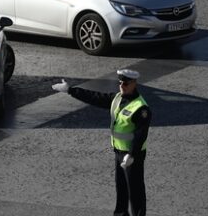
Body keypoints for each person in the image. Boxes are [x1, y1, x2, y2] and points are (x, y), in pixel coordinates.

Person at [52, 69, 151, 216]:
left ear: (134, 84)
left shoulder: (141, 108)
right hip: (118, 151)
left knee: (135, 190)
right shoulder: (117, 98)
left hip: (132, 155)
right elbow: (95, 97)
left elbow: (140, 134)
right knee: (121, 187)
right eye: (120, 83)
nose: (122, 86)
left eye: (125, 83)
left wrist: (131, 155)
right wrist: (70, 90)